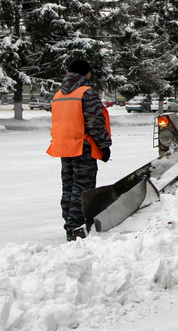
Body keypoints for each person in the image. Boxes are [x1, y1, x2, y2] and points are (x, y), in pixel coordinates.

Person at [46, 59, 112, 240]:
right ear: (86, 73)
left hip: (63, 147)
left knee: (68, 188)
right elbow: (95, 123)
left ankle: (69, 225)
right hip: (82, 147)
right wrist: (104, 146)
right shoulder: (86, 93)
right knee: (82, 189)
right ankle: (76, 230)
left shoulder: (59, 94)